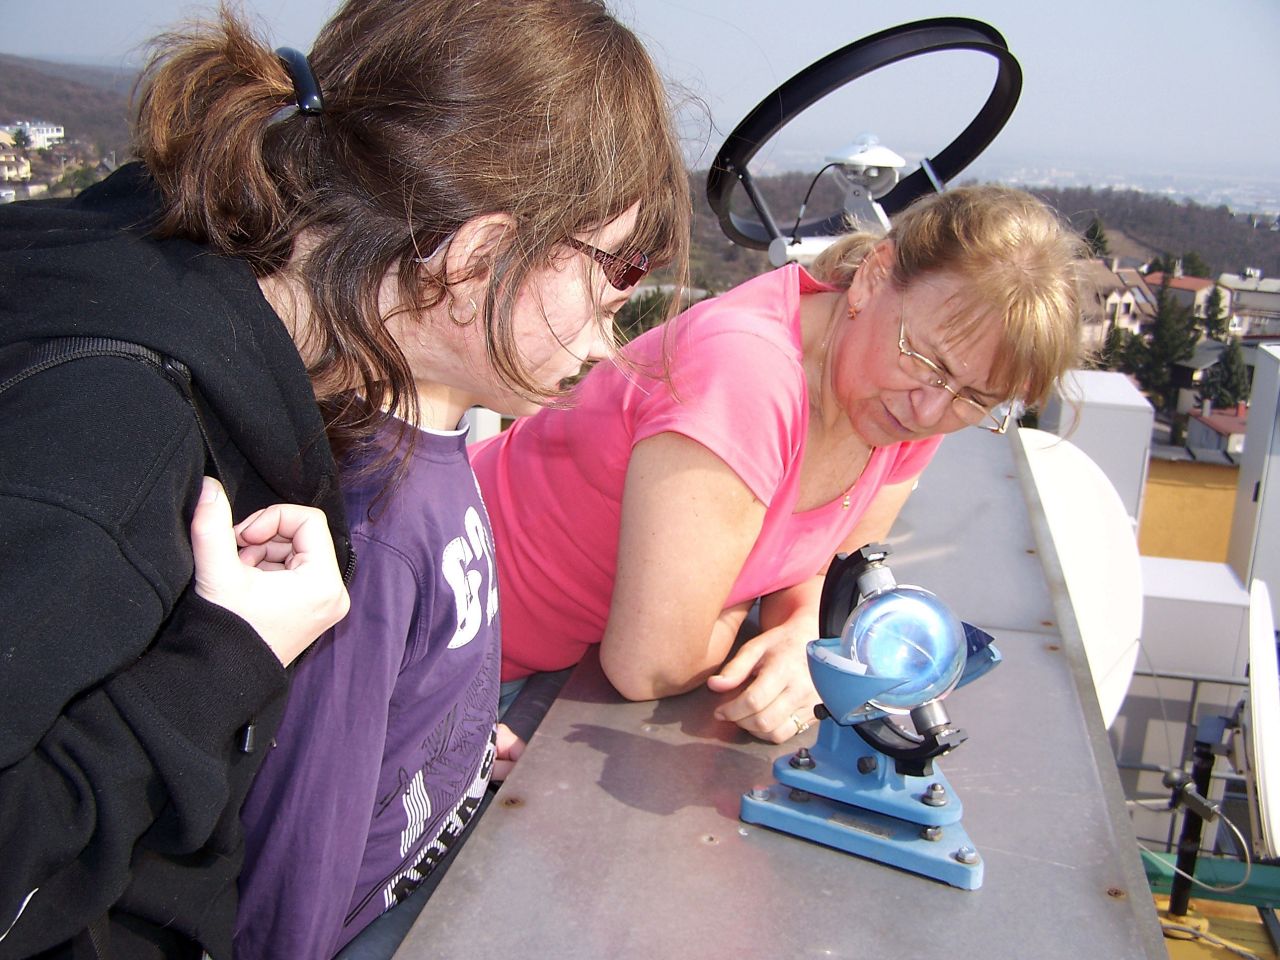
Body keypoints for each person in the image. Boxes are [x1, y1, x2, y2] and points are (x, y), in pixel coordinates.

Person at [0, 0, 688, 957]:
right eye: (622, 269)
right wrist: (226, 660)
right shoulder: (112, 437)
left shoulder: (273, 376)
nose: (615, 331)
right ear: (478, 255)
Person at [473, 184, 1087, 745]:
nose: (931, 410)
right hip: (468, 654)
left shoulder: (902, 405)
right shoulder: (745, 376)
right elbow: (650, 665)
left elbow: (831, 568)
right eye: (928, 362)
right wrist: (738, 605)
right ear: (873, 278)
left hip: (560, 676)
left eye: (976, 398)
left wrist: (802, 638)